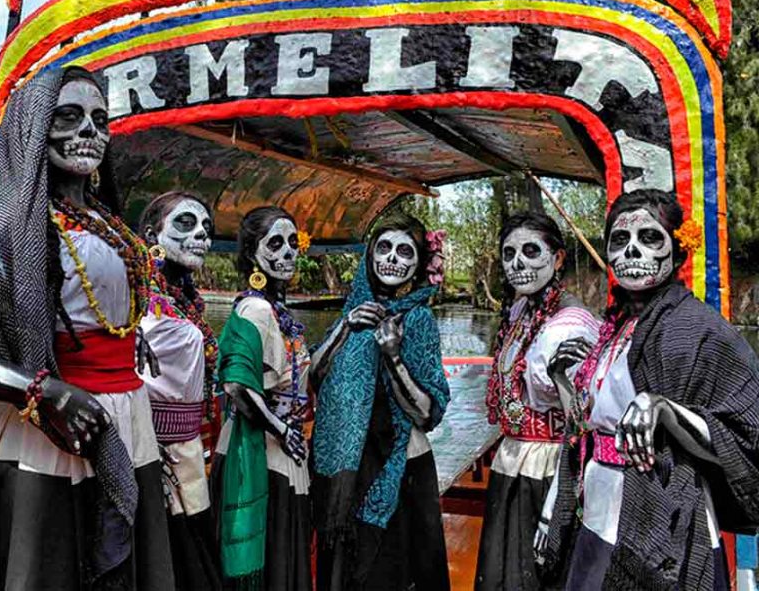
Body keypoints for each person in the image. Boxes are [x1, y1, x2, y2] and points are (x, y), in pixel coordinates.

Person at [0, 66, 175, 590]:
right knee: (47, 567)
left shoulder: (107, 222)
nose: (89, 131)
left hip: (126, 418)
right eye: (69, 116)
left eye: (100, 120)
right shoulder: (6, 225)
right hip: (42, 434)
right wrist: (41, 391)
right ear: (34, 126)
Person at [539, 190, 759, 591]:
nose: (632, 251)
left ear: (678, 253)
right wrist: (562, 379)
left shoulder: (699, 329)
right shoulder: (614, 327)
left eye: (650, 238)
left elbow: (746, 430)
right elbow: (587, 425)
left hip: (662, 508)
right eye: (620, 241)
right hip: (600, 505)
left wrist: (666, 410)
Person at [311, 214, 452, 591]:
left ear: (418, 265)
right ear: (370, 255)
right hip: (350, 467)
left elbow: (427, 412)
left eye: (404, 251)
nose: (392, 258)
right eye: (384, 248)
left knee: (388, 571)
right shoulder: (354, 310)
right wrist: (346, 326)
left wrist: (392, 356)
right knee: (346, 568)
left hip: (399, 468)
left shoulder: (418, 320)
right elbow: (314, 377)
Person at [475, 212, 599, 591]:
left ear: (557, 258)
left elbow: (581, 425)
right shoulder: (521, 311)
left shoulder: (569, 325)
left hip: (547, 471)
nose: (518, 264)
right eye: (509, 254)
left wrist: (556, 504)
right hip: (513, 460)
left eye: (531, 251)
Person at [211, 206, 311, 590]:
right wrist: (282, 429)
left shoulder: (276, 309)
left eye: (292, 243)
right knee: (273, 560)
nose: (287, 253)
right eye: (275, 244)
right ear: (254, 253)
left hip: (282, 451)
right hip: (264, 454)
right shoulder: (255, 309)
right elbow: (236, 385)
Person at [138, 191, 221, 590]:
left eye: (207, 227)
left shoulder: (187, 301)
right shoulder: (136, 299)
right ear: (153, 233)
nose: (201, 235)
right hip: (150, 455)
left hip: (187, 452)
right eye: (186, 224)